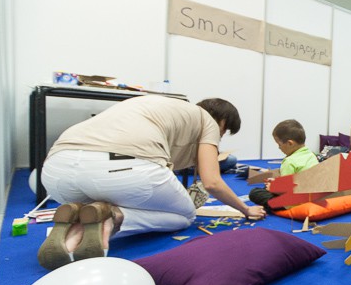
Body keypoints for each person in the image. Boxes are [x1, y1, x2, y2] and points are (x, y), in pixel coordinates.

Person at [38, 96, 267, 270]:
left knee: (105, 195)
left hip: (56, 173)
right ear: (222, 122)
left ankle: (73, 235)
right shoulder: (208, 122)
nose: (220, 137)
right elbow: (212, 182)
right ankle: (113, 217)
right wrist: (246, 209)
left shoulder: (155, 107)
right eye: (224, 132)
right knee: (185, 215)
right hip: (121, 169)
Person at [249, 119, 319, 208]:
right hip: (313, 198)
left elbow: (285, 191)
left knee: (255, 193)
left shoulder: (289, 161)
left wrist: (273, 187)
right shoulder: (311, 155)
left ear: (290, 143)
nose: (279, 148)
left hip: (295, 203)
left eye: (279, 145)